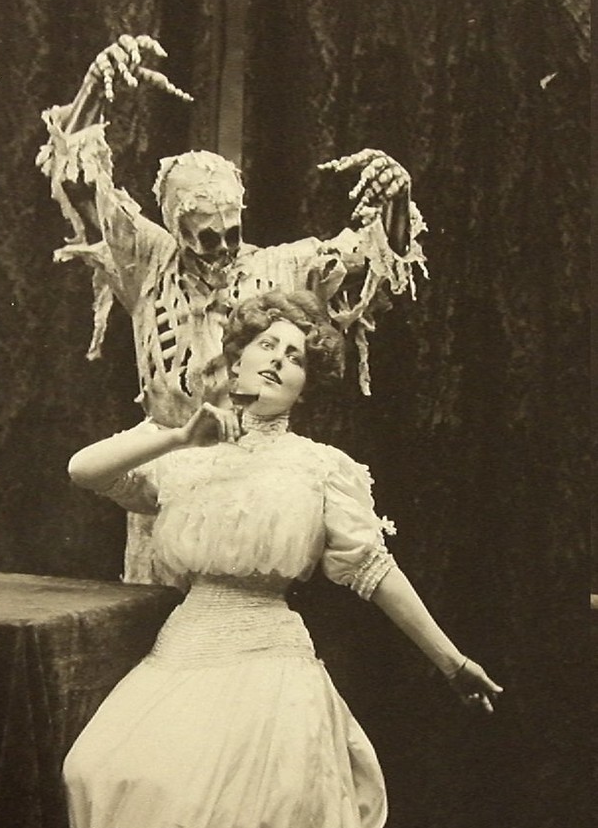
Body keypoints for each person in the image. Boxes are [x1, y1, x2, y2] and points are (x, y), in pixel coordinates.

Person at [39, 290, 534, 828]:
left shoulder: (320, 468)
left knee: (196, 805)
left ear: (306, 384)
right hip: (183, 652)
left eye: (295, 356)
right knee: (96, 769)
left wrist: (451, 661)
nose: (277, 360)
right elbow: (82, 470)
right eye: (265, 345)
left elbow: (373, 571)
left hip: (268, 661)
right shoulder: (185, 454)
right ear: (233, 359)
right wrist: (178, 430)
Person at [36, 34, 427, 581]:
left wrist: (396, 199)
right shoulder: (147, 261)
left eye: (232, 233)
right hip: (161, 484)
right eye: (205, 237)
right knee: (156, 615)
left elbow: (376, 258)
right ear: (175, 229)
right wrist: (91, 91)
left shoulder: (282, 269)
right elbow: (82, 183)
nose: (222, 249)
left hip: (248, 494)